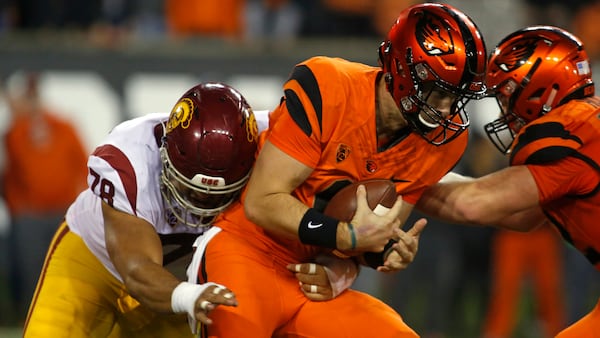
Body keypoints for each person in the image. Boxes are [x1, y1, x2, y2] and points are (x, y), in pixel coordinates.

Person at [187, 3, 488, 337]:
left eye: (455, 96)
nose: (445, 109)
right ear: (402, 68)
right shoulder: (329, 87)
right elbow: (263, 200)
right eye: (437, 91)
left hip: (310, 278)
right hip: (247, 250)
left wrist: (378, 254)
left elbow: (362, 245)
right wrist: (349, 236)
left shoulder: (444, 141)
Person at [23, 82, 260, 337]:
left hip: (177, 282)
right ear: (165, 155)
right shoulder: (131, 160)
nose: (201, 202)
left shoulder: (273, 146)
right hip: (95, 259)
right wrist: (188, 296)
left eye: (217, 196)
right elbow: (137, 270)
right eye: (189, 188)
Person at [416, 26, 600, 337]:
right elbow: (522, 216)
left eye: (506, 93)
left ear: (540, 88)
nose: (504, 106)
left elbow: (472, 205)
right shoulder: (585, 118)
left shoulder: (568, 131)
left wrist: (399, 175)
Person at [0, 72, 89, 323]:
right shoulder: (15, 132)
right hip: (30, 216)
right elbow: (10, 173)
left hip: (62, 211)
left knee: (67, 269)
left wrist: (78, 206)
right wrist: (18, 209)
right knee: (30, 272)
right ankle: (33, 322)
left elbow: (83, 165)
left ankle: (69, 319)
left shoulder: (63, 126)